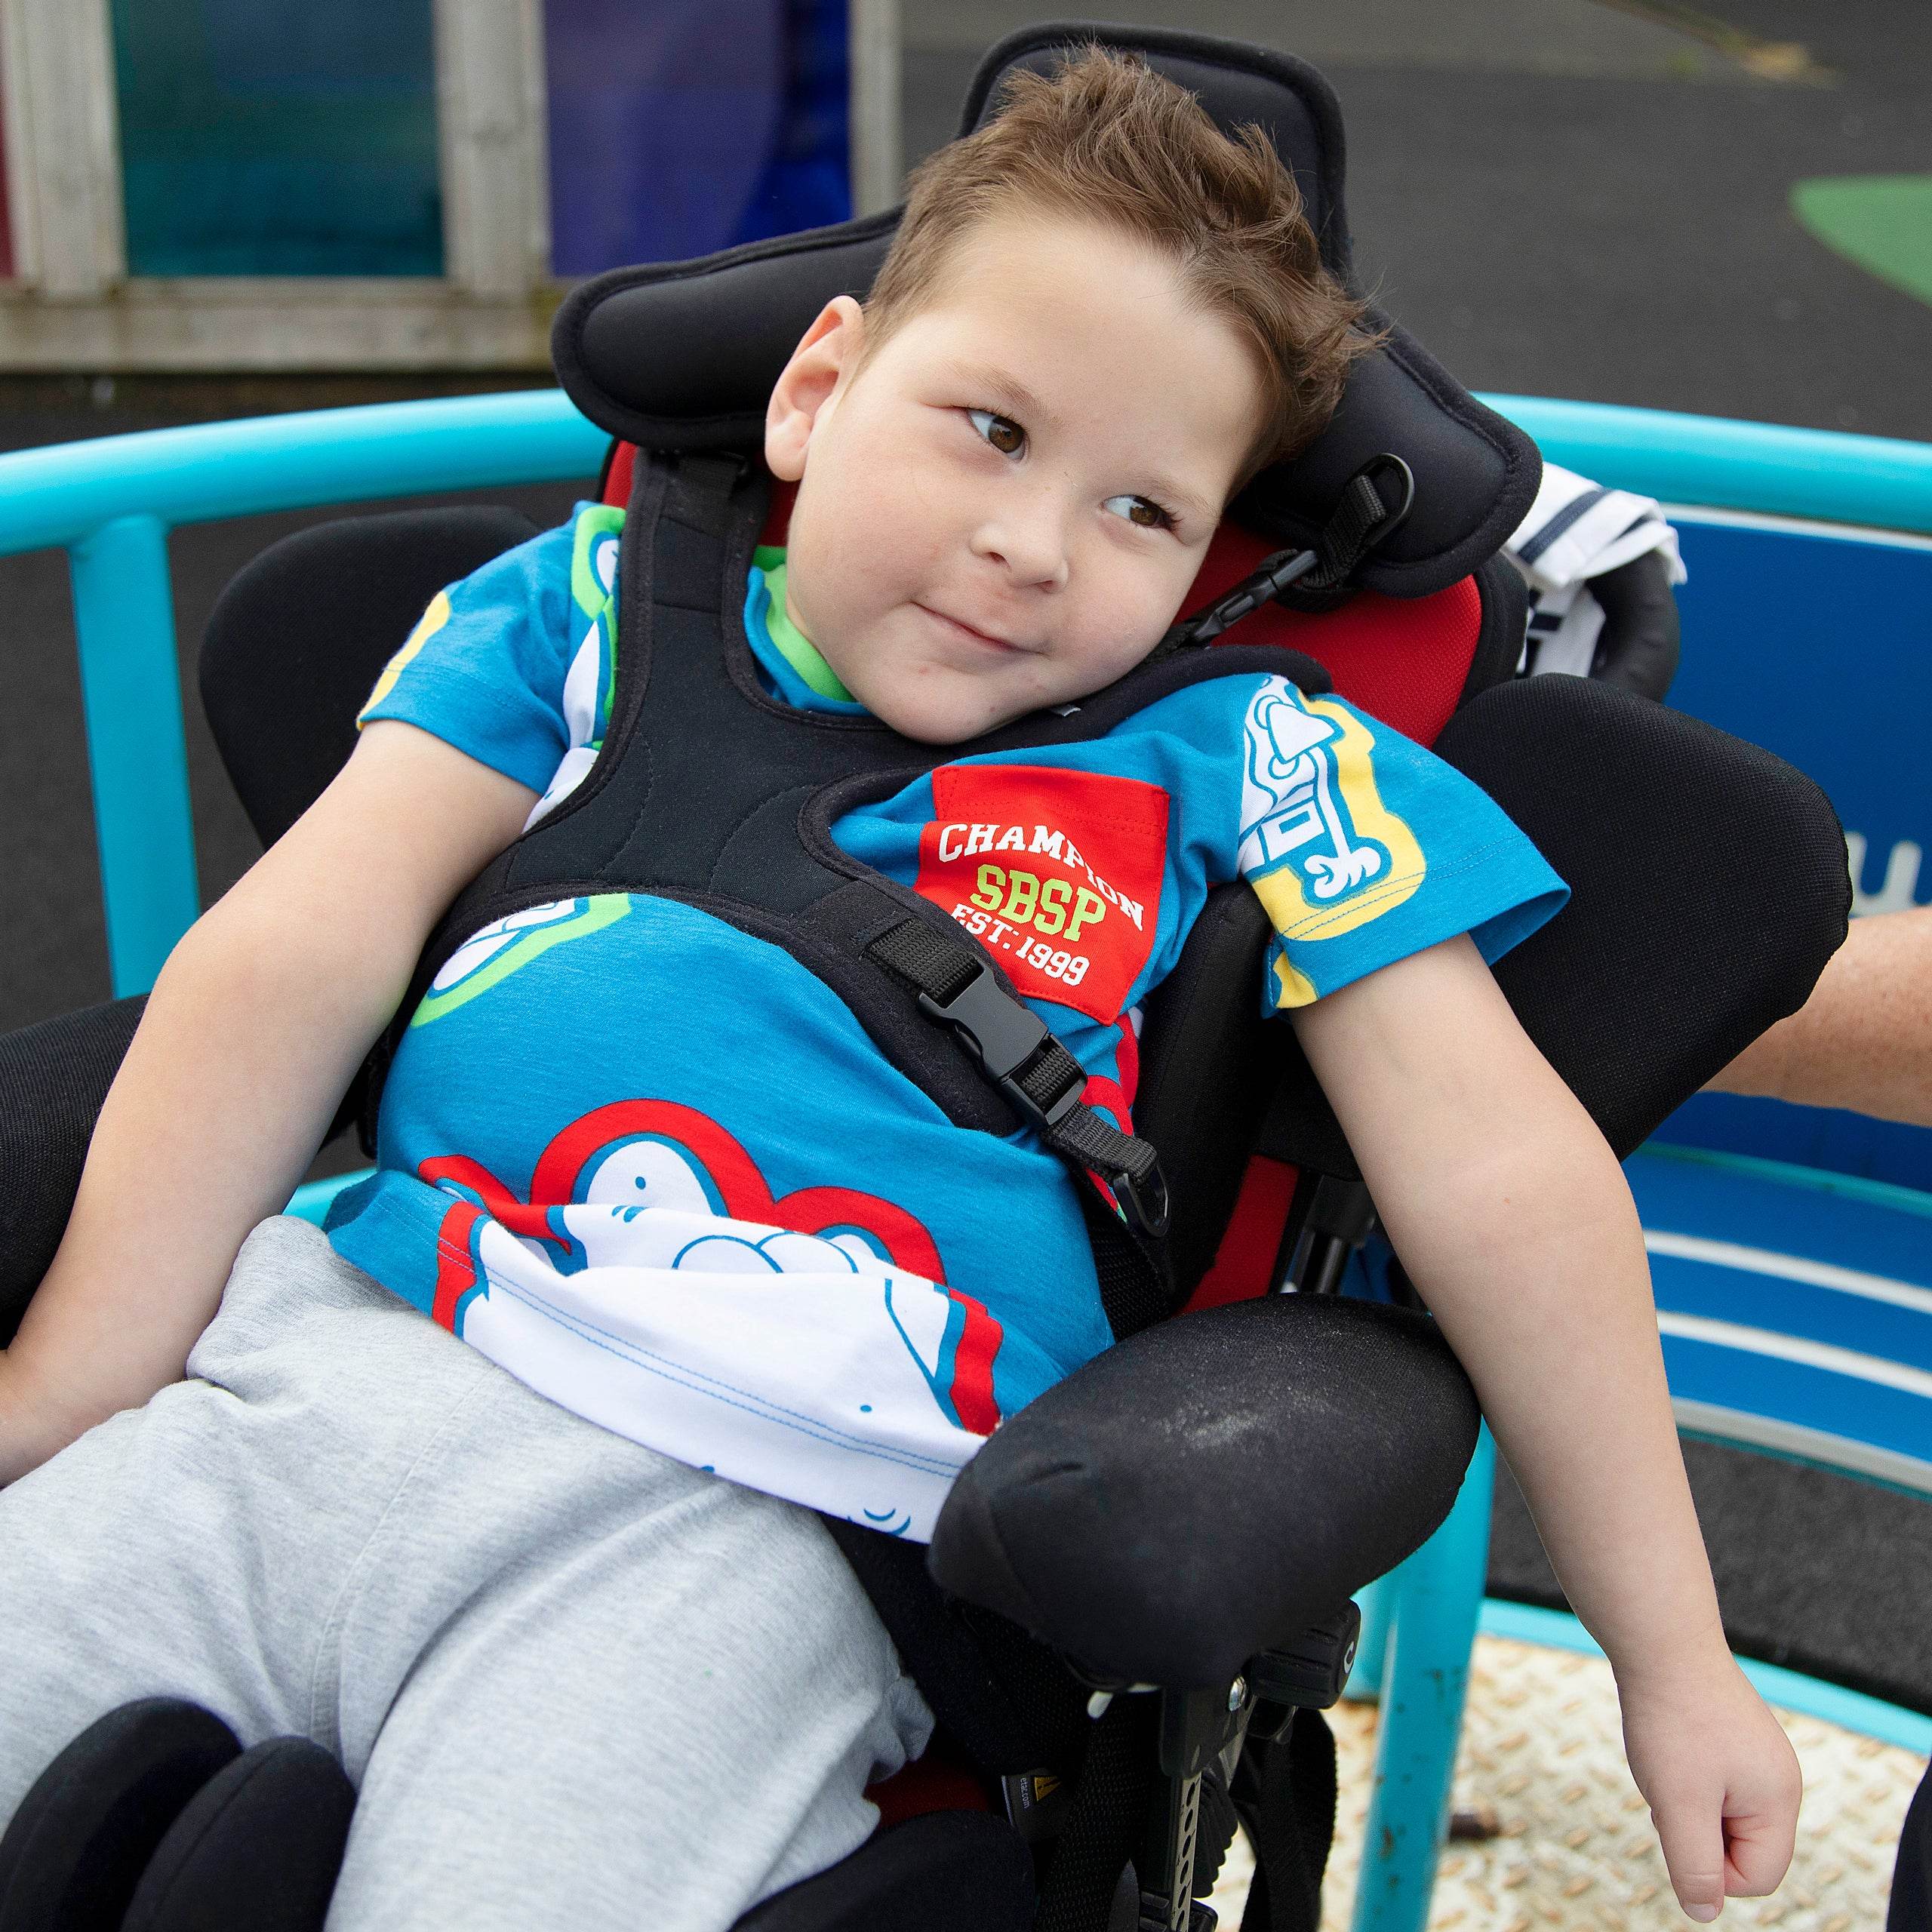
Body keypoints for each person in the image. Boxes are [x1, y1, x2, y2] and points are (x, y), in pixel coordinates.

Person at [0, 49, 1799, 1930]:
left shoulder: (1256, 759)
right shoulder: (587, 607)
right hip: (318, 1375)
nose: (1031, 545)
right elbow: (296, 948)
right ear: (816, 388)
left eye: (1141, 510)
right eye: (990, 428)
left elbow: (1502, 1174)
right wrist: (71, 1379)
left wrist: (1668, 1657)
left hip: (750, 1535)